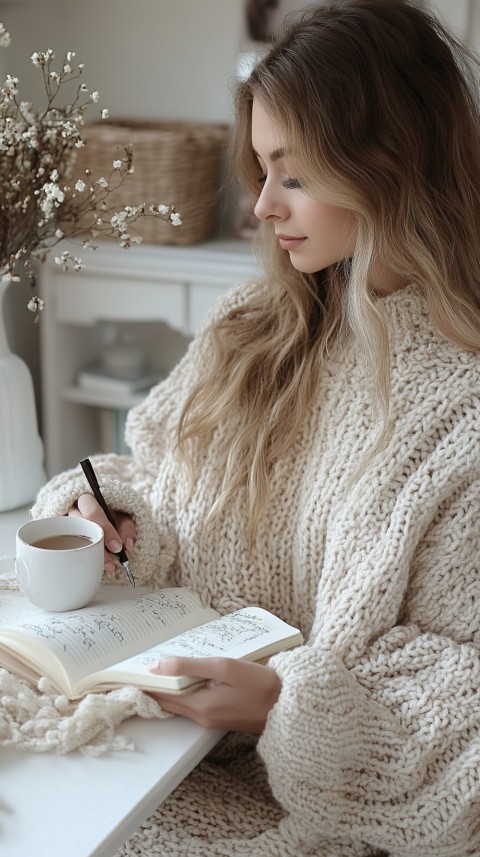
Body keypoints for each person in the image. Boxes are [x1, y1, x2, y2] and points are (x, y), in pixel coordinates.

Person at [31, 1, 480, 854]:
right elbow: (151, 471)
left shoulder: (462, 407)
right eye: (262, 170)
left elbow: (464, 702)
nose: (262, 206)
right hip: (155, 745)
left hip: (310, 812)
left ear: (390, 164)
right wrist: (119, 523)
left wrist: (283, 706)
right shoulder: (249, 326)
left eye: (294, 173)